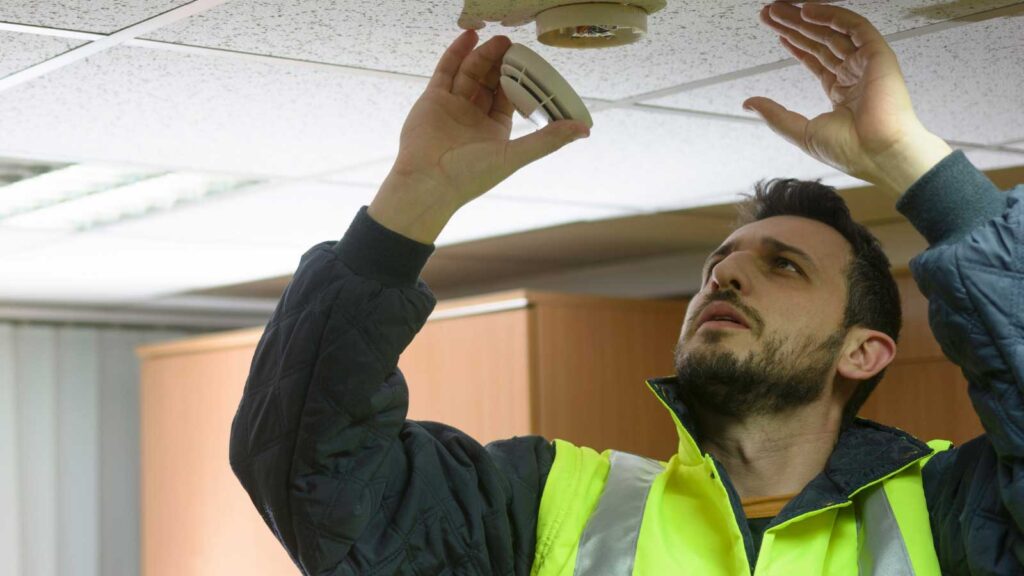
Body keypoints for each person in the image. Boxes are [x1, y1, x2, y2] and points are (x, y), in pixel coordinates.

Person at [228, 3, 1022, 574]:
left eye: (784, 266)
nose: (726, 273)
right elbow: (316, 478)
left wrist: (910, 158)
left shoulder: (958, 511)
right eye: (720, 262)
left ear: (864, 351)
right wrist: (414, 196)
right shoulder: (549, 503)